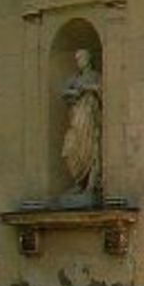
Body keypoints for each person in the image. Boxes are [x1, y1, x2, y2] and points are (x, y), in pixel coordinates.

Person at [60, 46, 102, 201]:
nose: (78, 62)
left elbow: (103, 90)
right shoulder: (74, 79)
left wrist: (88, 87)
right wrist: (72, 93)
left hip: (89, 115)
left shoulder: (95, 76)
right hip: (76, 117)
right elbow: (65, 94)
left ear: (88, 59)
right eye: (76, 59)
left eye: (80, 58)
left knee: (91, 147)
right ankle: (79, 180)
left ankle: (90, 185)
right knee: (70, 150)